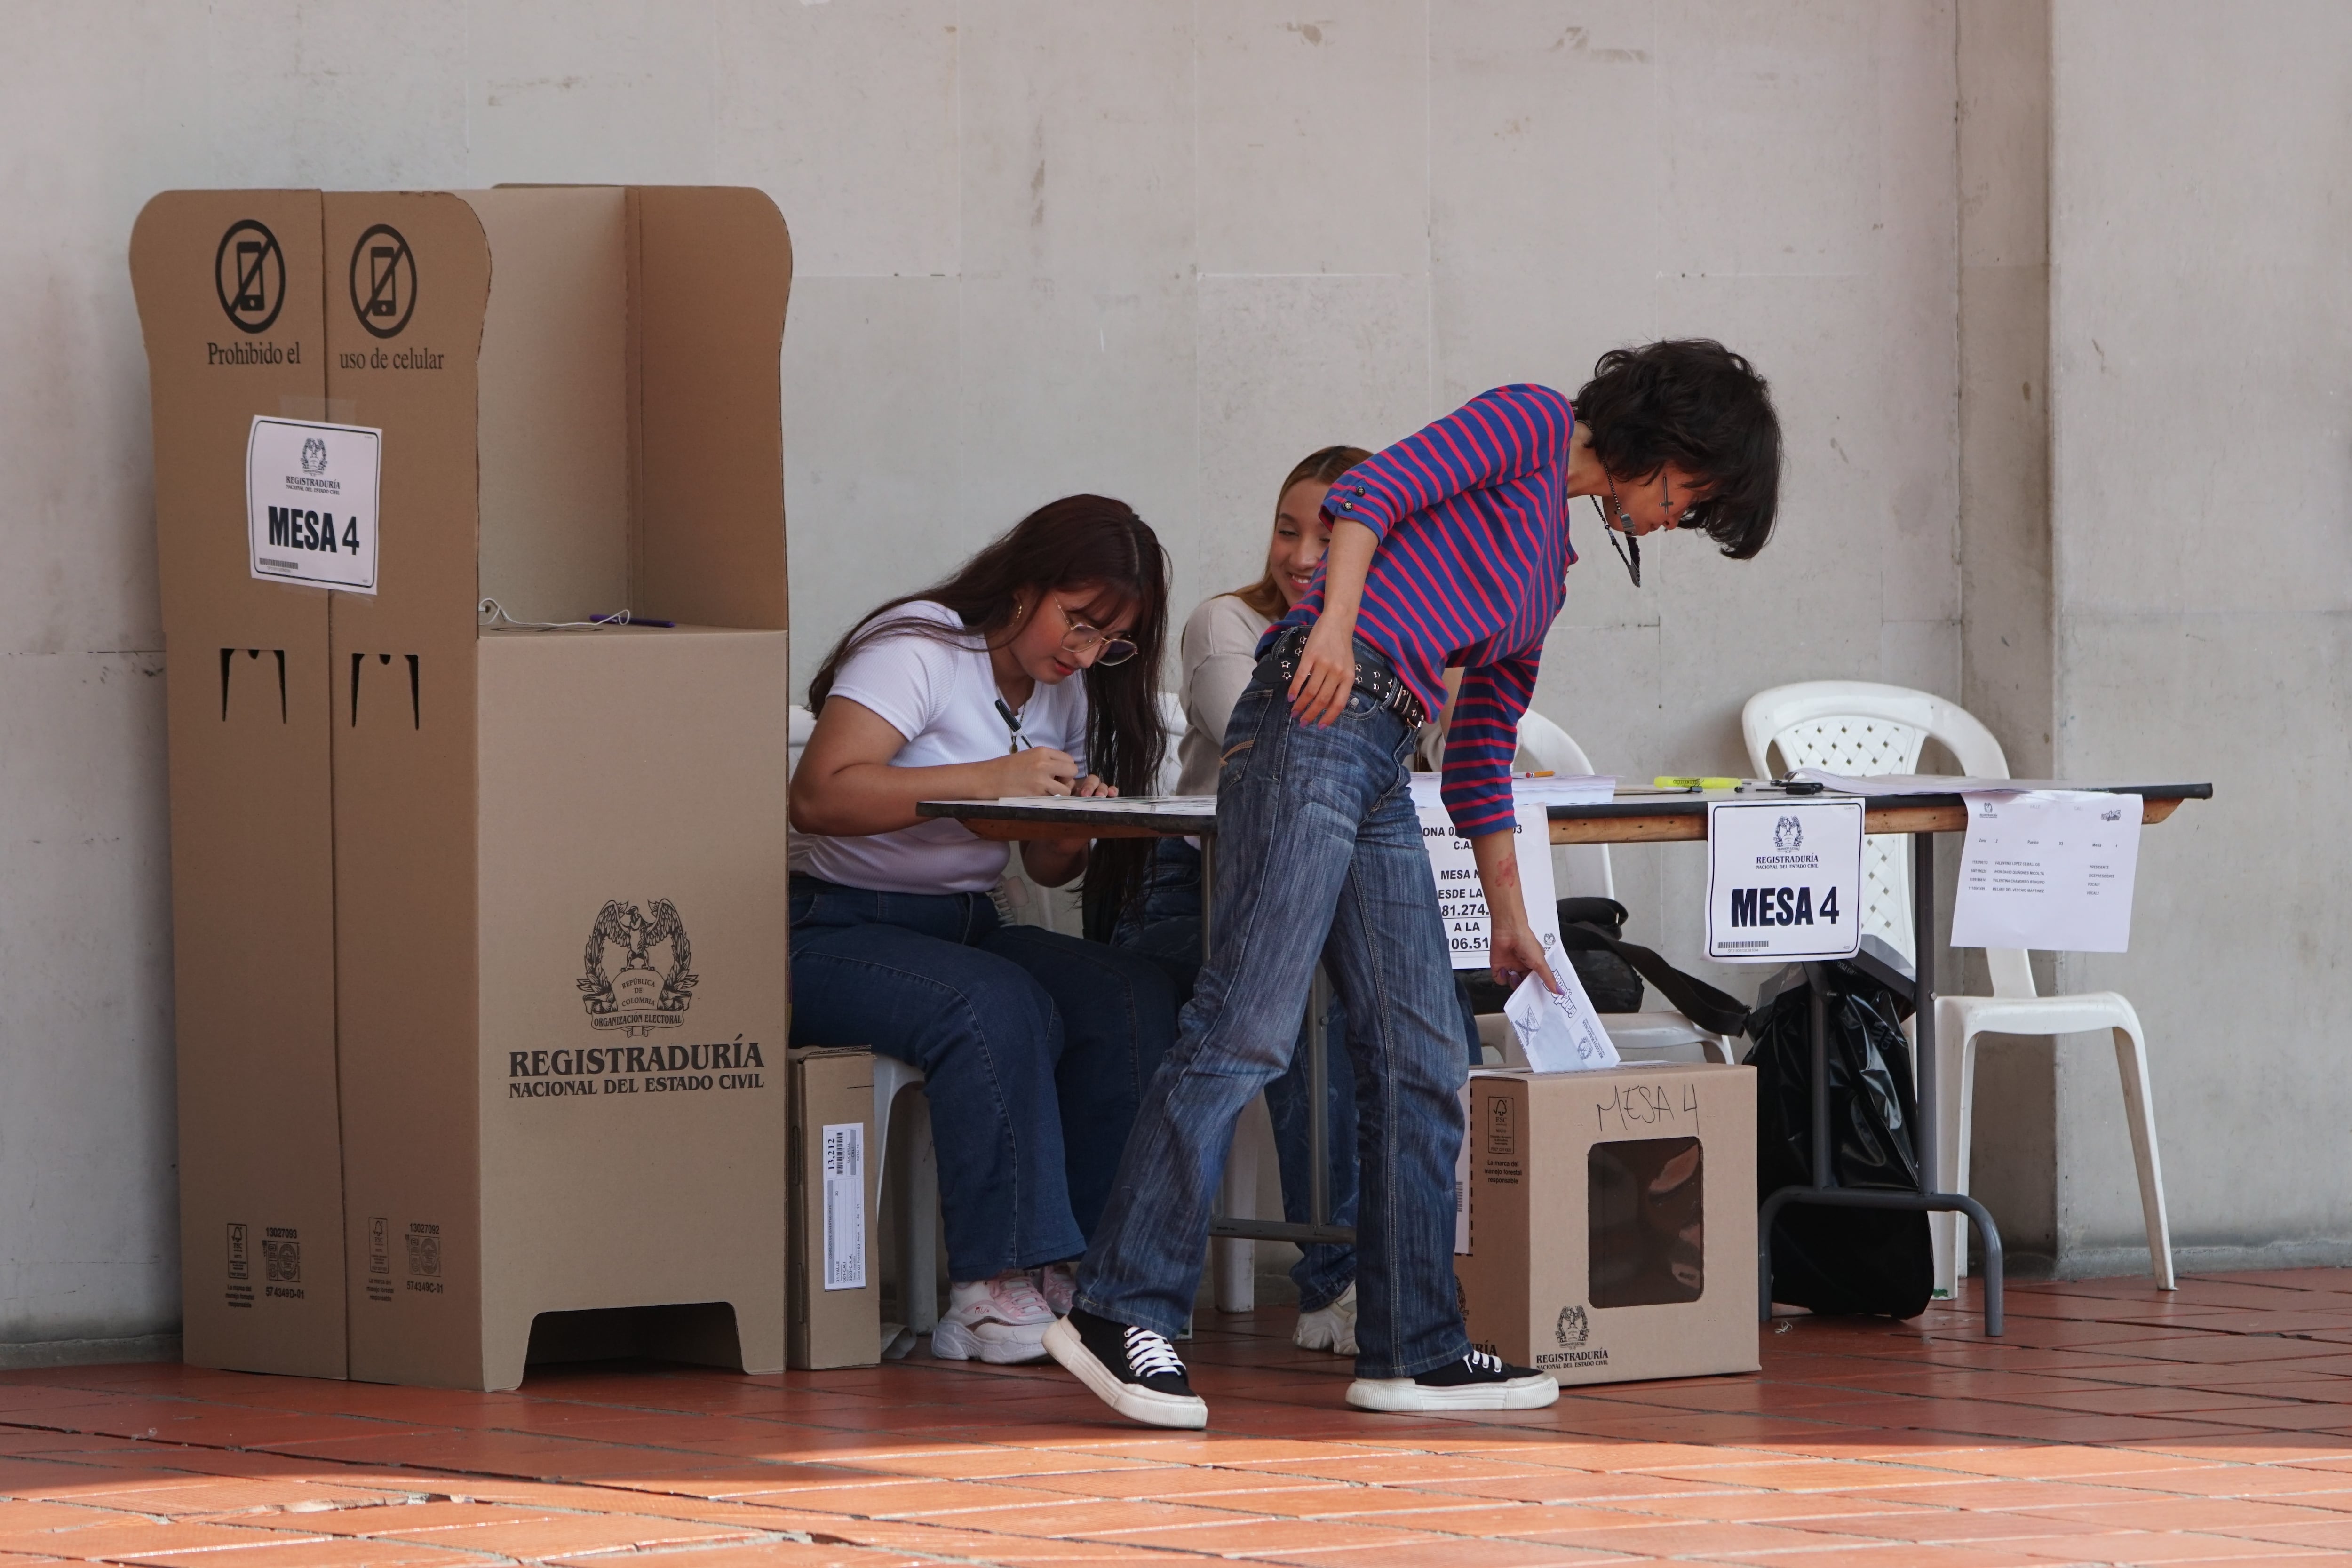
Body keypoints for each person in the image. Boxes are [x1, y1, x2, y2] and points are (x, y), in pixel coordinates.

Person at [1047, 341, 1784, 1426]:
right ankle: (1118, 1305)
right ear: (1666, 437)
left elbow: (1481, 754)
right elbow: (1368, 494)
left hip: (1382, 754)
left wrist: (1514, 919)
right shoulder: (1530, 421)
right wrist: (1332, 630)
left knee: (1424, 1053)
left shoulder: (1549, 580)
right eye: (1691, 491)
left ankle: (1413, 1344)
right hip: (1312, 709)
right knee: (1247, 1022)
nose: (1677, 516)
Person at [788, 495, 1179, 1366]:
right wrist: (991, 778)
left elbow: (1045, 869)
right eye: (1076, 623)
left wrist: (1073, 821)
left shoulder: (1062, 688)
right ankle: (989, 1286)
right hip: (827, 926)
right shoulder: (920, 647)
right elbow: (818, 793)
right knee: (992, 1003)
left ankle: (1090, 1268)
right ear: (1026, 581)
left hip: (963, 924)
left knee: (1127, 991)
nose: (1080, 653)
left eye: (1104, 642)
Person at [1112, 446, 1479, 1361]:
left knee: (1430, 1030)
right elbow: (1290, 748)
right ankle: (1333, 1283)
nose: (1304, 553)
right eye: (1288, 528)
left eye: (1330, 533)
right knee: (1298, 1014)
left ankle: (1420, 1292)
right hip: (1195, 891)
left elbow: (1428, 765)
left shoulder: (1404, 643)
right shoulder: (1226, 623)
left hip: (1344, 877)